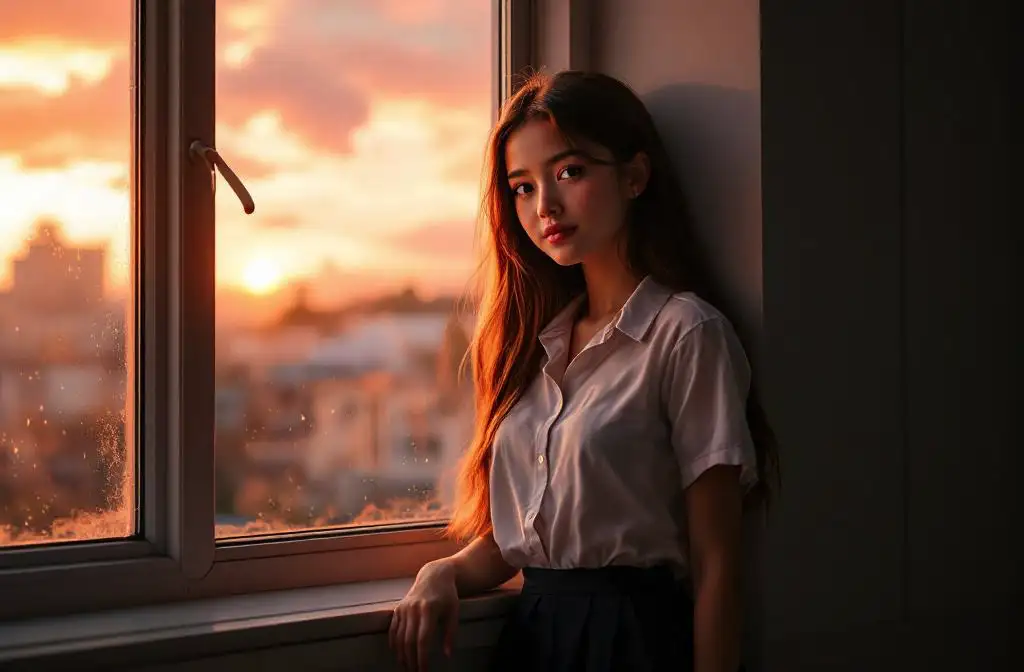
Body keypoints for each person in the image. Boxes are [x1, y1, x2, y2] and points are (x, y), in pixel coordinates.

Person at [387, 70, 779, 672]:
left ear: (635, 177)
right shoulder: (531, 347)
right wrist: (441, 571)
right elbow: (521, 540)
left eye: (569, 171)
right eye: (522, 187)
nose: (545, 205)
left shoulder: (685, 335)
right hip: (536, 639)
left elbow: (719, 563)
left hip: (636, 641)